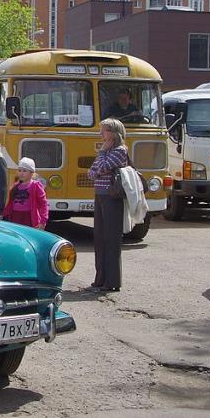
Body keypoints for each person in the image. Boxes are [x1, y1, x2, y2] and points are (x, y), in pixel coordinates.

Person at [87, 118, 129, 292]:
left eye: (104, 131)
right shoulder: (105, 151)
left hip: (112, 197)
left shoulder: (120, 150)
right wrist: (99, 166)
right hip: (100, 195)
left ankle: (111, 281)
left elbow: (103, 167)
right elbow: (91, 173)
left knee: (111, 239)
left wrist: (102, 157)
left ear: (113, 133)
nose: (101, 134)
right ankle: (100, 279)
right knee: (99, 238)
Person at [1, 157, 49, 230]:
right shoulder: (15, 186)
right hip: (15, 217)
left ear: (32, 173)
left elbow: (44, 204)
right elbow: (10, 205)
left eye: (24, 171)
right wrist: (1, 214)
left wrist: (43, 221)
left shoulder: (35, 185)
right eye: (19, 170)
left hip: (28, 218)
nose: (21, 173)